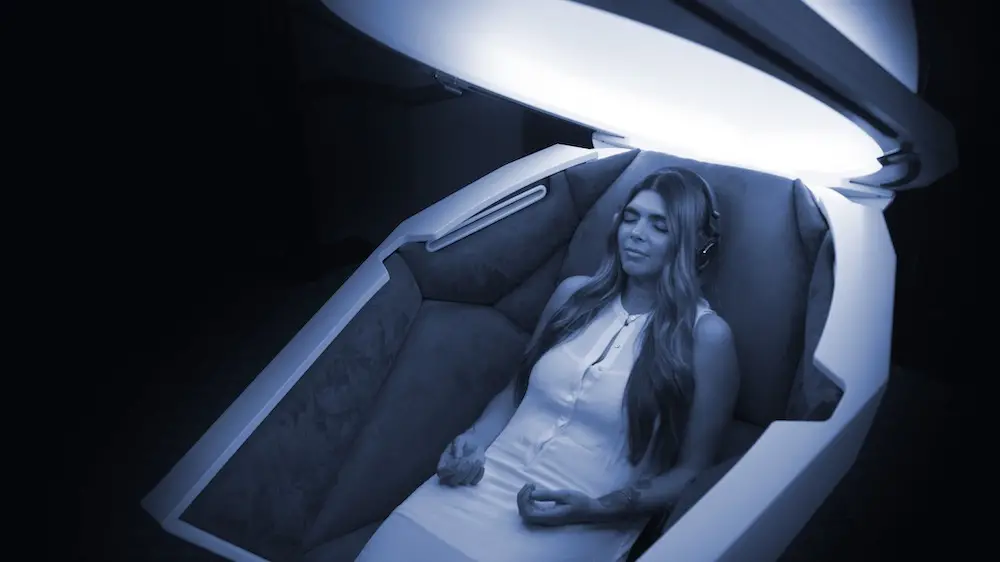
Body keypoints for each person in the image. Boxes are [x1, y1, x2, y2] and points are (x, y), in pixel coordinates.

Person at [355, 168, 741, 562]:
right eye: (631, 217)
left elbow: (692, 472)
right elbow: (516, 391)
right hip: (484, 479)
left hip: (587, 512)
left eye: (660, 226)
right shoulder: (572, 295)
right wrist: (473, 442)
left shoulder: (707, 338)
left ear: (695, 245)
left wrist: (597, 508)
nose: (636, 233)